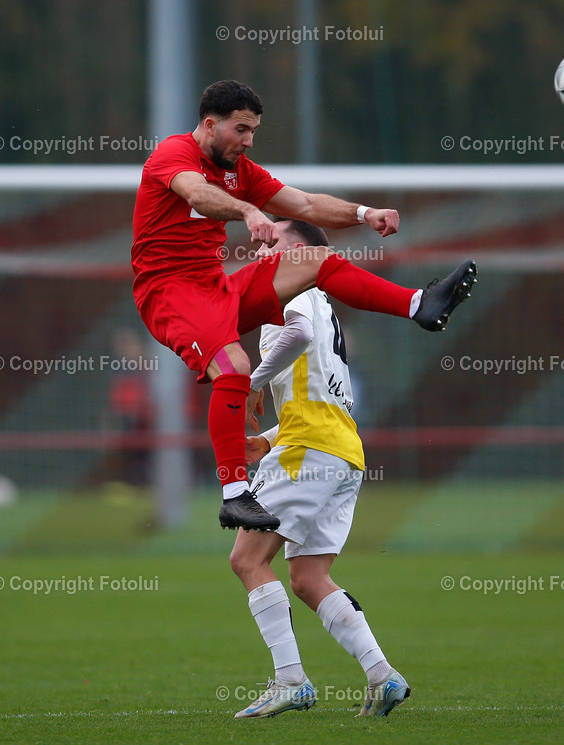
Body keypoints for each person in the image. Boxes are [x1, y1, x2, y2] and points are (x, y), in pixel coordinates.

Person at [132, 80, 476, 533]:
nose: (249, 140)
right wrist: (249, 213)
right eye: (241, 129)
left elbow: (307, 204)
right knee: (235, 366)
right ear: (210, 124)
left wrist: (362, 214)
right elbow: (197, 194)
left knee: (319, 259)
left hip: (216, 288)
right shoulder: (173, 153)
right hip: (169, 293)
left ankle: (419, 305)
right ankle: (235, 494)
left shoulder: (241, 171)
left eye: (254, 130)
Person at [229, 220, 413, 719]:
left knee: (247, 560)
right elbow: (320, 396)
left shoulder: (295, 283)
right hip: (340, 451)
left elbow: (298, 333)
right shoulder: (322, 300)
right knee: (309, 577)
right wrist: (266, 441)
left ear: (304, 252)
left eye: (277, 240)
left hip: (312, 450)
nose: (265, 245)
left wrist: (251, 382)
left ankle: (290, 680)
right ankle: (383, 676)